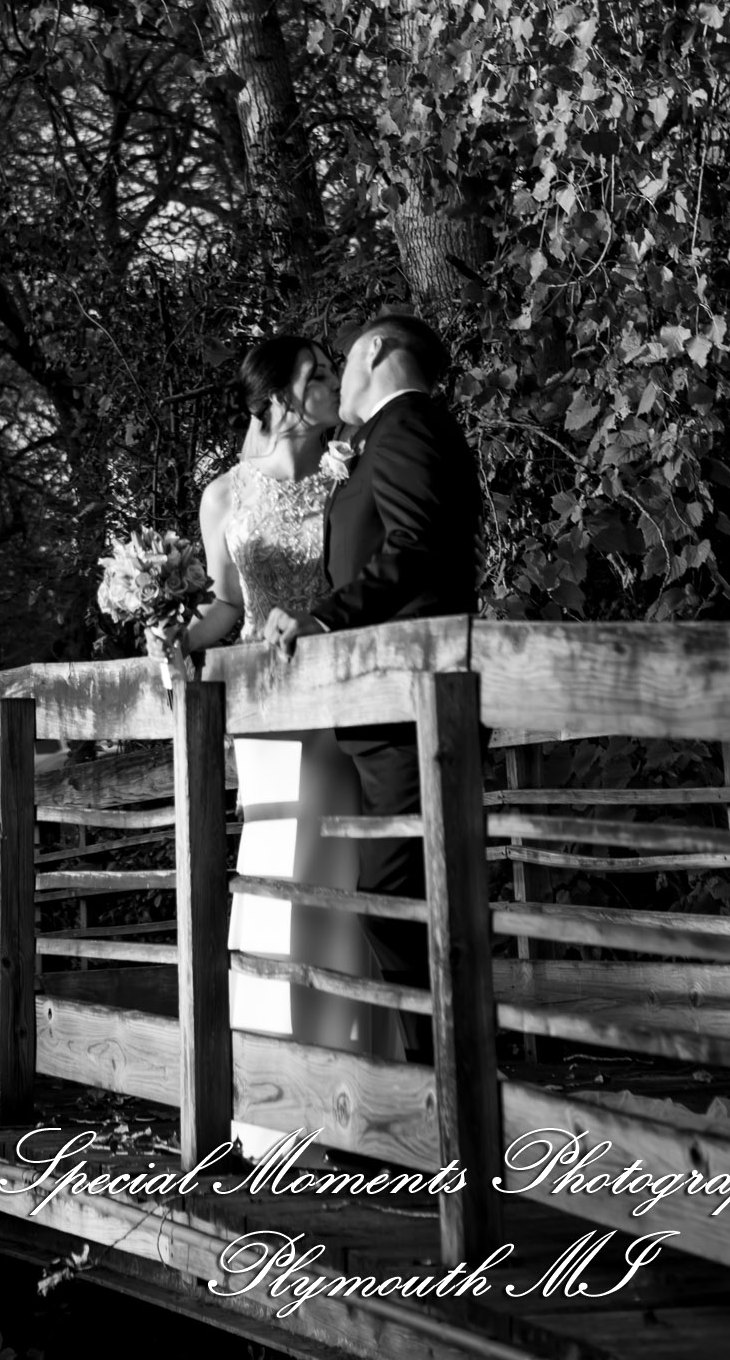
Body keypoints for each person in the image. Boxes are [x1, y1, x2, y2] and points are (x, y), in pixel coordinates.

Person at [172, 333, 401, 1155]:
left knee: (340, 892)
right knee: (275, 894)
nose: (329, 385)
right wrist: (172, 632)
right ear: (272, 401)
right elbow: (225, 609)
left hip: (340, 712)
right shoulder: (224, 497)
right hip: (265, 726)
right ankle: (272, 1108)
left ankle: (358, 1098)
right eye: (313, 377)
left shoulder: (349, 475)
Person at [262, 312, 483, 1062]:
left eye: (344, 362)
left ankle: (437, 1084)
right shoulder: (399, 434)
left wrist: (326, 619)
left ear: (377, 352)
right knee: (398, 902)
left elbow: (416, 545)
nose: (340, 381)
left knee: (398, 905)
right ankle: (429, 1078)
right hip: (388, 706)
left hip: (407, 703)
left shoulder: (408, 428)